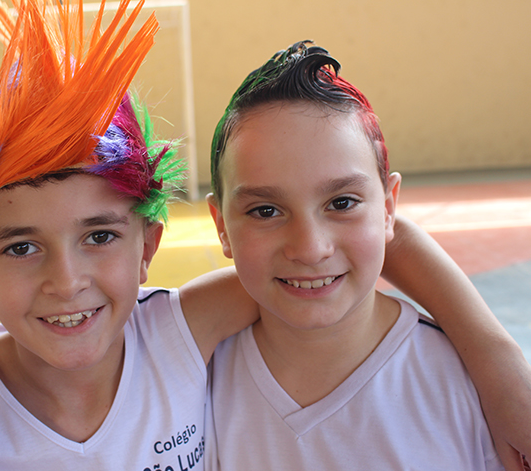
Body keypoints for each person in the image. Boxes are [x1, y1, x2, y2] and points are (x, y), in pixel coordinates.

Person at [0, 0, 531, 469]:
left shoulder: (174, 338)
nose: (65, 281)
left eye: (98, 236)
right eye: (21, 246)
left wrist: (499, 364)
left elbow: (368, 238)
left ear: (148, 246)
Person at [205, 40, 529, 470]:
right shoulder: (189, 383)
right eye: (265, 211)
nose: (310, 249)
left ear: (389, 207)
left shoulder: (468, 388)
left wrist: (496, 357)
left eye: (341, 203)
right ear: (221, 226)